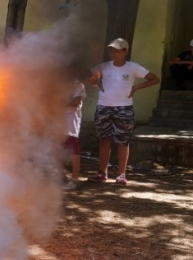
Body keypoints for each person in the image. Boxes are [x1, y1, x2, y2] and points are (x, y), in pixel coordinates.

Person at [88, 38, 159, 186]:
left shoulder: (133, 67)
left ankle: (121, 175)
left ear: (125, 51)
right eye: (111, 51)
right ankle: (102, 173)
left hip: (124, 108)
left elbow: (154, 79)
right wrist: (95, 82)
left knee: (122, 142)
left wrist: (136, 88)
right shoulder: (103, 66)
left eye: (117, 51)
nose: (113, 53)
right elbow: (85, 75)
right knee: (104, 140)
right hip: (103, 107)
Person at [63, 78, 87, 190]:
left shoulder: (78, 85)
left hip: (71, 121)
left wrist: (58, 103)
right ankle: (60, 175)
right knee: (57, 147)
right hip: (57, 120)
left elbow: (75, 102)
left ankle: (75, 179)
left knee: (73, 149)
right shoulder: (57, 82)